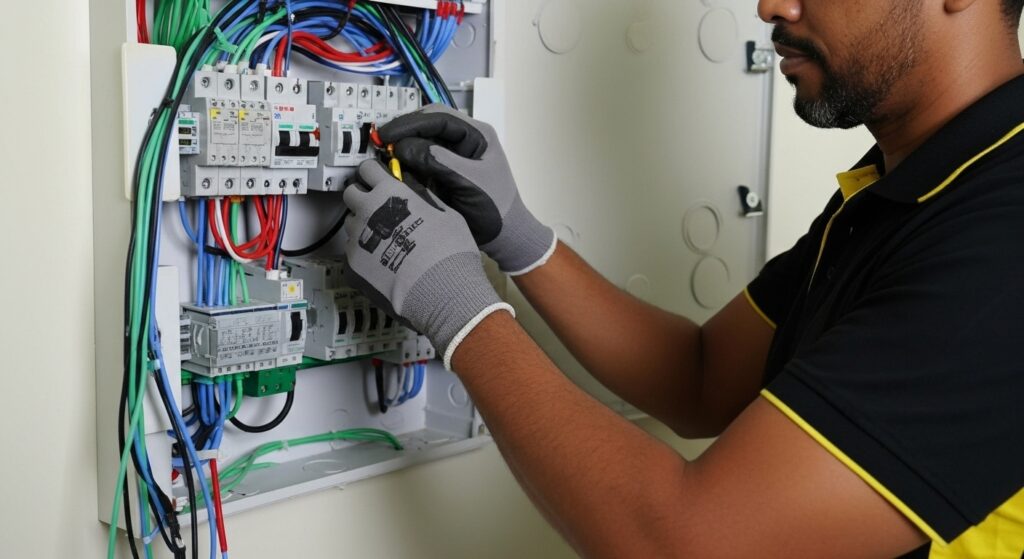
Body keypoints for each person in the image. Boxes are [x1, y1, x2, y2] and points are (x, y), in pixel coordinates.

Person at [340, 0, 1024, 556]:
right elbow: (702, 377)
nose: (771, 7)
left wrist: (459, 311)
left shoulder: (1004, 236)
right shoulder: (908, 186)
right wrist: (519, 238)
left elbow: (685, 544)